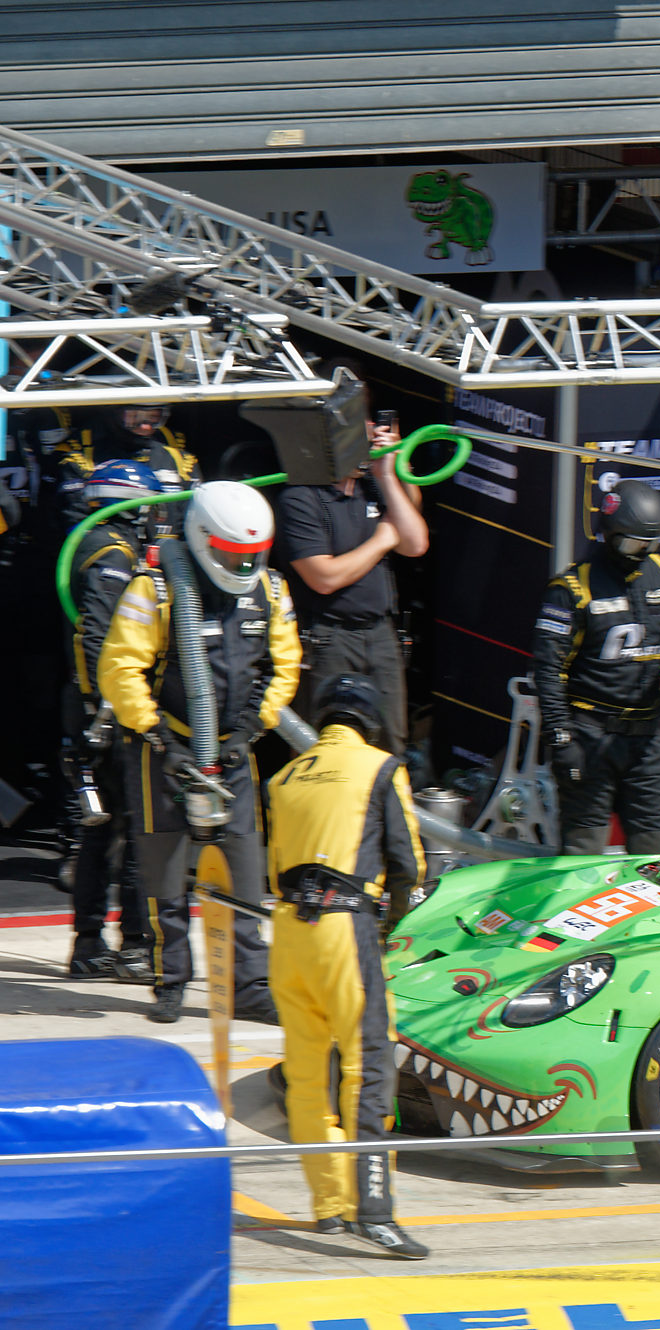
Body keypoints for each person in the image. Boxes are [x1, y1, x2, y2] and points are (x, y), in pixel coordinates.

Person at [98, 480, 299, 1024]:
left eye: (253, 555)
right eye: (233, 555)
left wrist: (249, 730)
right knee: (164, 874)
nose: (244, 566)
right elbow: (119, 670)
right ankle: (171, 982)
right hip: (164, 750)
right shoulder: (155, 590)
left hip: (233, 751)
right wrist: (159, 737)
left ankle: (249, 987)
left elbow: (284, 667)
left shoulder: (271, 590)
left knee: (245, 871)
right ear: (203, 538)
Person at [266, 674, 428, 1259]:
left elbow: (275, 865)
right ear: (370, 719)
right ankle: (374, 1212)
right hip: (344, 928)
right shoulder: (380, 768)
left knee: (308, 1076)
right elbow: (409, 862)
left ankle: (329, 1206)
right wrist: (393, 923)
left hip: (288, 931)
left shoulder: (284, 777)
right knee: (369, 1067)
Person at [534, 478, 660, 854]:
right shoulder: (571, 588)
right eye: (633, 544)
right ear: (609, 535)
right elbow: (547, 671)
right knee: (584, 853)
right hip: (589, 736)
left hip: (648, 738)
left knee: (657, 852)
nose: (641, 553)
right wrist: (561, 740)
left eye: (651, 544)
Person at [61, 460, 166, 980]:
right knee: (129, 830)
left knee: (103, 832)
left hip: (93, 705)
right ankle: (129, 945)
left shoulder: (100, 545)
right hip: (106, 711)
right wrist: (105, 711)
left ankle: (92, 943)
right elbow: (99, 638)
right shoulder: (113, 554)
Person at [277, 408, 427, 760]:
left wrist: (387, 474)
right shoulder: (300, 497)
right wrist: (381, 540)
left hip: (380, 635)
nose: (368, 446)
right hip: (329, 638)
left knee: (389, 743)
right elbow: (324, 578)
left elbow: (415, 543)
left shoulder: (372, 485)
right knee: (324, 747)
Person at [52, 405, 200, 528]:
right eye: (135, 417)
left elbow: (197, 519)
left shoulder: (182, 461)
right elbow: (75, 520)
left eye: (154, 418)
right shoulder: (80, 460)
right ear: (115, 414)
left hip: (171, 551)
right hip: (111, 547)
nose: (146, 426)